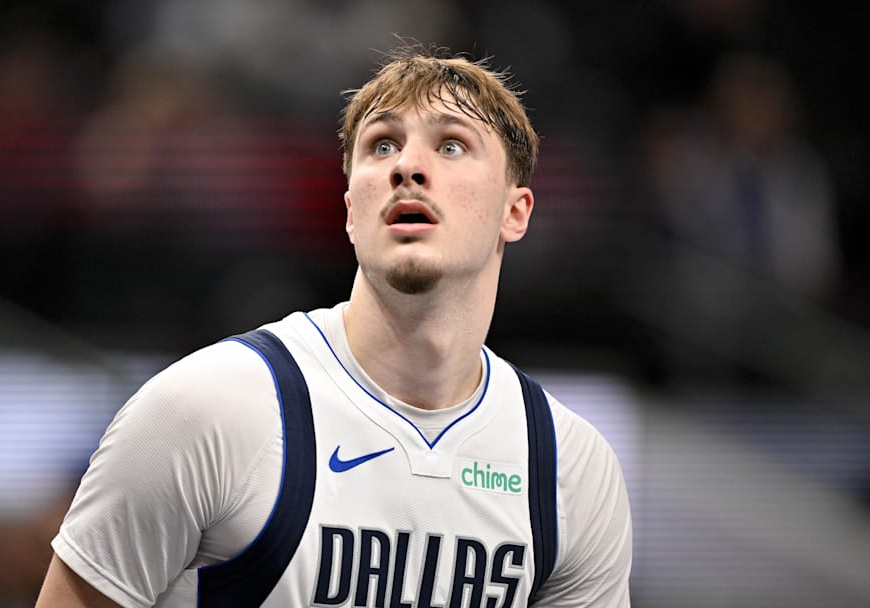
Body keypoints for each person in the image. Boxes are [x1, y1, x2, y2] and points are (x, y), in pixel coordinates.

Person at [35, 46, 632, 607]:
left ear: (515, 211)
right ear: (350, 209)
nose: (409, 167)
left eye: (451, 146)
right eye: (382, 146)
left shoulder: (570, 467)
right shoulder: (208, 409)